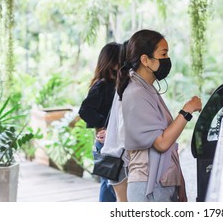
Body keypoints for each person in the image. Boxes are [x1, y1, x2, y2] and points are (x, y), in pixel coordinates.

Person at [117, 29, 202, 202]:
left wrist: (180, 185)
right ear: (145, 60)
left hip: (161, 184)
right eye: (163, 54)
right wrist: (187, 110)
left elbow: (169, 146)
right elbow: (162, 143)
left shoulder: (148, 90)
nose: (167, 59)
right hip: (148, 186)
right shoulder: (136, 93)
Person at [78, 42, 123, 202]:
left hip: (108, 142)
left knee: (110, 184)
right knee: (109, 185)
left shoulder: (113, 84)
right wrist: (105, 125)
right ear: (113, 60)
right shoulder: (102, 85)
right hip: (105, 144)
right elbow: (84, 110)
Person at [100, 40, 129, 202]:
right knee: (107, 189)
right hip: (115, 152)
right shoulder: (104, 85)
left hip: (113, 148)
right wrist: (101, 126)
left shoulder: (121, 84)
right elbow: (85, 111)